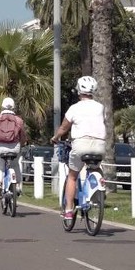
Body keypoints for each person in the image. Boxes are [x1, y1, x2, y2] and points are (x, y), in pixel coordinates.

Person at [50, 76, 106, 220]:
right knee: (96, 167)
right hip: (99, 145)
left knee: (72, 176)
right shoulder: (100, 107)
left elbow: (64, 128)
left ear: (79, 89)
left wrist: (56, 138)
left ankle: (69, 209)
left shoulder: (74, 108)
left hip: (81, 144)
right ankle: (98, 188)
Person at [0, 97, 27, 199]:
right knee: (15, 165)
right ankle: (17, 186)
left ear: (2, 106)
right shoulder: (19, 120)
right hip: (15, 147)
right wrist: (22, 144)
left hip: (0, 147)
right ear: (13, 107)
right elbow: (23, 136)